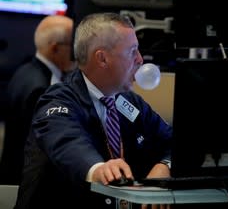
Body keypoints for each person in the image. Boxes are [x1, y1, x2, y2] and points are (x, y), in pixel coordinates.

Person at [14, 12, 173, 209]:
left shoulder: (129, 102)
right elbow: (67, 141)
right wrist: (98, 169)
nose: (140, 60)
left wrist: (164, 166)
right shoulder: (57, 100)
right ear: (102, 59)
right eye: (132, 51)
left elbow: (171, 141)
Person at [0, 14, 75, 184]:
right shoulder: (42, 88)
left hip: (12, 174)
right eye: (73, 45)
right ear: (55, 49)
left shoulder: (24, 70)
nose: (77, 52)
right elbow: (40, 147)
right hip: (24, 181)